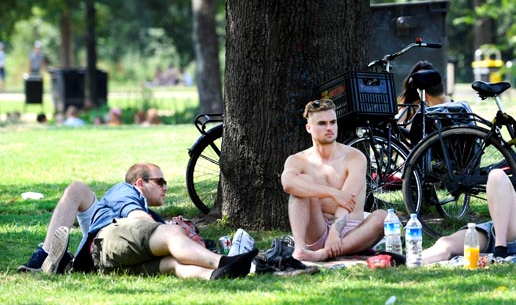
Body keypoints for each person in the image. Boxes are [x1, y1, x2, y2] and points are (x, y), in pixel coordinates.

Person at [67, 163, 256, 278]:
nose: (165, 188)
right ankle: (223, 262)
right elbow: (137, 218)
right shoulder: (125, 190)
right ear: (140, 183)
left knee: (173, 264)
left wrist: (184, 232)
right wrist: (172, 230)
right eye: (160, 182)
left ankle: (214, 275)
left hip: (107, 264)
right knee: (170, 234)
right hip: (108, 240)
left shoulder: (150, 215)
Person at [281, 99, 387, 262]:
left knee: (383, 217)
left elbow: (347, 201)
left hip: (351, 234)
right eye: (322, 123)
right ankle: (300, 250)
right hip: (317, 231)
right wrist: (332, 193)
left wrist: (334, 234)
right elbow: (288, 183)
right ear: (309, 128)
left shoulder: (354, 157)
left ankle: (323, 254)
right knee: (301, 182)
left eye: (333, 122)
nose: (329, 128)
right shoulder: (298, 160)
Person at [422, 169, 516, 264]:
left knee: (497, 175)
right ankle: (410, 260)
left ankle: (500, 250)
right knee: (447, 244)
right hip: (495, 229)